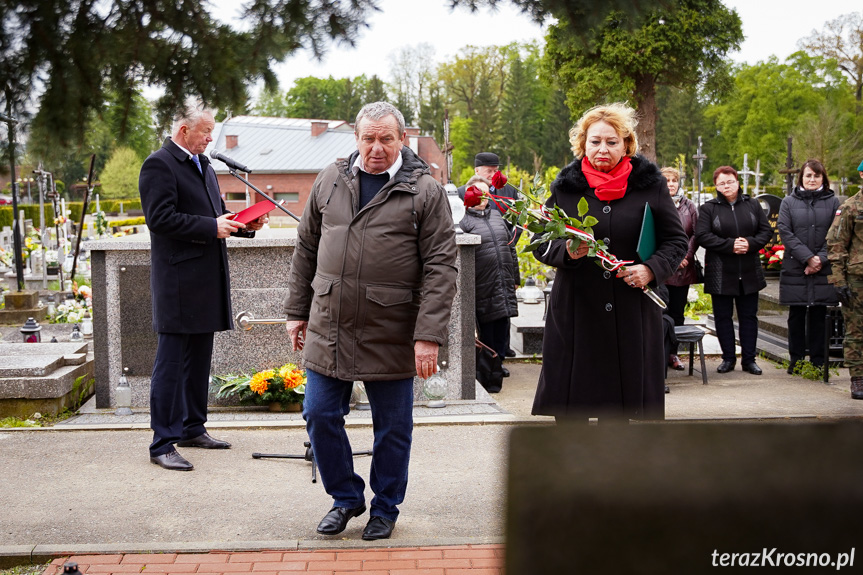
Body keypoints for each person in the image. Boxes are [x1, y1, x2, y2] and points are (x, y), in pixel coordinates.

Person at [283, 102, 458, 540]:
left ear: (402, 140)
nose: (376, 147)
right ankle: (345, 498)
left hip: (393, 328)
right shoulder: (330, 179)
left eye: (386, 138)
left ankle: (385, 507)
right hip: (330, 323)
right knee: (319, 413)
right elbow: (306, 248)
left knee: (393, 429)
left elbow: (442, 265)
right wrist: (296, 310)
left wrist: (429, 336)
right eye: (368, 138)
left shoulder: (424, 191)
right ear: (356, 139)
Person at [531, 102, 688, 421]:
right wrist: (567, 252)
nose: (603, 148)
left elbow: (676, 241)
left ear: (626, 144)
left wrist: (650, 269)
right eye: (595, 141)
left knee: (619, 414)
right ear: (583, 144)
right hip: (577, 313)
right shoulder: (565, 187)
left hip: (629, 314)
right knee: (573, 412)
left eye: (611, 142)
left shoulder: (650, 185)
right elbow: (540, 242)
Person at [139, 99, 266, 471]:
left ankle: (192, 427)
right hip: (178, 282)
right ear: (184, 131)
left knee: (199, 362)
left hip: (206, 279)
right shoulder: (159, 164)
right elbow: (160, 219)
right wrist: (212, 227)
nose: (211, 138)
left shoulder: (205, 166)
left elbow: (215, 217)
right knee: (170, 364)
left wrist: (242, 225)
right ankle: (162, 442)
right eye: (206, 131)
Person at [695, 166, 772, 375]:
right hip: (721, 271)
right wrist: (731, 245)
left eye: (729, 181)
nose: (726, 186)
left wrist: (749, 244)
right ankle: (728, 358)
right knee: (723, 317)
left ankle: (749, 360)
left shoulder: (752, 204)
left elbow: (766, 231)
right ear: (716, 186)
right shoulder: (708, 208)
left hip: (749, 269)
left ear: (737, 182)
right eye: (721, 183)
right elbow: (702, 235)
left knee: (749, 316)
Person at [777, 159, 840, 374]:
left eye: (816, 175)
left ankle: (818, 361)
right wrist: (807, 258)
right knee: (796, 315)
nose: (812, 179)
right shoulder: (788, 202)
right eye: (808, 175)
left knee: (819, 314)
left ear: (823, 177)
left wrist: (819, 259)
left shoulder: (833, 202)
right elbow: (785, 232)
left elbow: (835, 235)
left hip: (823, 267)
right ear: (801, 178)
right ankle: (796, 359)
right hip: (796, 267)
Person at [458, 176, 520, 391]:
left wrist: (515, 278)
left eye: (486, 193)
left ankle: (497, 366)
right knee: (487, 331)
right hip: (482, 285)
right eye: (477, 192)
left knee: (503, 328)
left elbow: (510, 247)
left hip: (503, 281)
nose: (483, 197)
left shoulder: (496, 215)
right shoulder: (464, 221)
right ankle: (486, 371)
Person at [827, 158, 863, 399]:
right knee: (856, 330)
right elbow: (836, 245)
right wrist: (839, 282)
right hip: (858, 280)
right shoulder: (852, 207)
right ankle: (858, 379)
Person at [661, 166, 699, 371]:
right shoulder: (654, 204)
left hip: (683, 270)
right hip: (661, 270)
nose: (670, 184)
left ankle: (673, 354)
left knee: (677, 313)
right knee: (661, 315)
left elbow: (695, 234)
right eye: (666, 180)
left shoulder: (689, 206)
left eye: (674, 180)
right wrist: (668, 260)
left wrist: (685, 256)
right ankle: (659, 355)